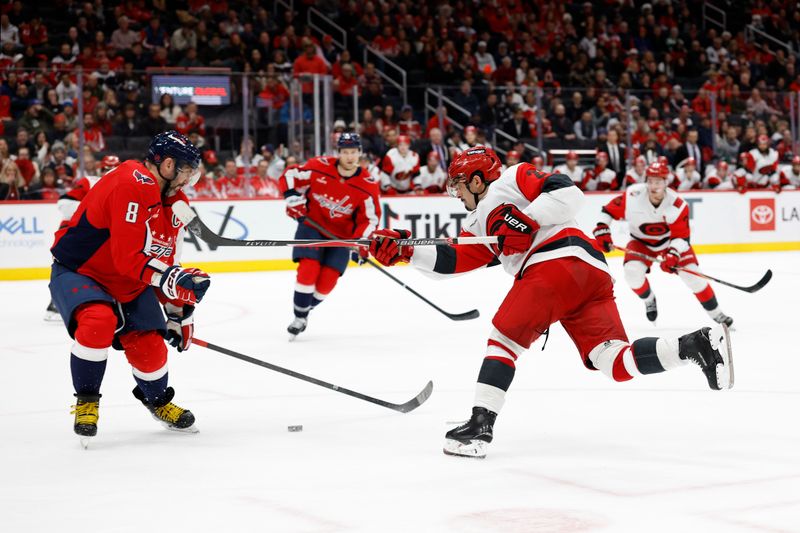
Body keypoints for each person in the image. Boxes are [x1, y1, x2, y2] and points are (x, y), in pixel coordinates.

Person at [367, 147, 733, 458]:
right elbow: (454, 261)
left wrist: (525, 219)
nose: (456, 194)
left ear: (478, 181)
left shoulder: (513, 177)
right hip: (589, 274)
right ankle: (693, 345)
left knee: (503, 341)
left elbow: (569, 194)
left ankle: (480, 428)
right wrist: (404, 251)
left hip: (556, 262)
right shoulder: (478, 223)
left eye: (459, 186)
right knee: (613, 361)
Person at [48, 130, 209, 445]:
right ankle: (87, 402)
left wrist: (177, 310)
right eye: (186, 168)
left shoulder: (175, 203)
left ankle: (158, 402)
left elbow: (164, 257)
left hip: (131, 281)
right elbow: (127, 258)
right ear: (165, 165)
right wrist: (172, 280)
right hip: (83, 271)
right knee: (98, 322)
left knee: (151, 348)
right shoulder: (130, 183)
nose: (190, 176)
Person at [593, 161, 734, 327]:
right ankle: (649, 299)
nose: (653, 186)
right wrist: (602, 229)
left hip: (669, 243)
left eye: (658, 181)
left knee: (694, 277)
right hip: (640, 242)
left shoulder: (678, 204)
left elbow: (682, 237)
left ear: (666, 182)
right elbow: (608, 211)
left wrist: (673, 253)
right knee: (632, 274)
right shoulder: (633, 195)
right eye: (650, 181)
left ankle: (717, 314)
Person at [278, 132, 380, 339]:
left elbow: (369, 220)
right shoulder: (319, 166)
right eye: (345, 152)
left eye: (354, 152)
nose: (350, 156)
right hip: (312, 227)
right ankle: (299, 318)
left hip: (341, 237)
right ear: (338, 153)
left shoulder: (367, 184)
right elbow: (290, 175)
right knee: (308, 269)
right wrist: (291, 197)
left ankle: (304, 311)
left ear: (360, 153)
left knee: (327, 283)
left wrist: (362, 242)